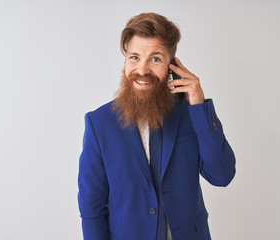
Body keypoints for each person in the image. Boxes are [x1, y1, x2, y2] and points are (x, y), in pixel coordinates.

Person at [78, 12, 236, 240]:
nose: (142, 70)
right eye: (134, 57)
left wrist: (199, 106)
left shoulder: (191, 114)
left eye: (155, 59)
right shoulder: (99, 123)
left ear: (171, 65)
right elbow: (91, 208)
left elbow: (222, 175)